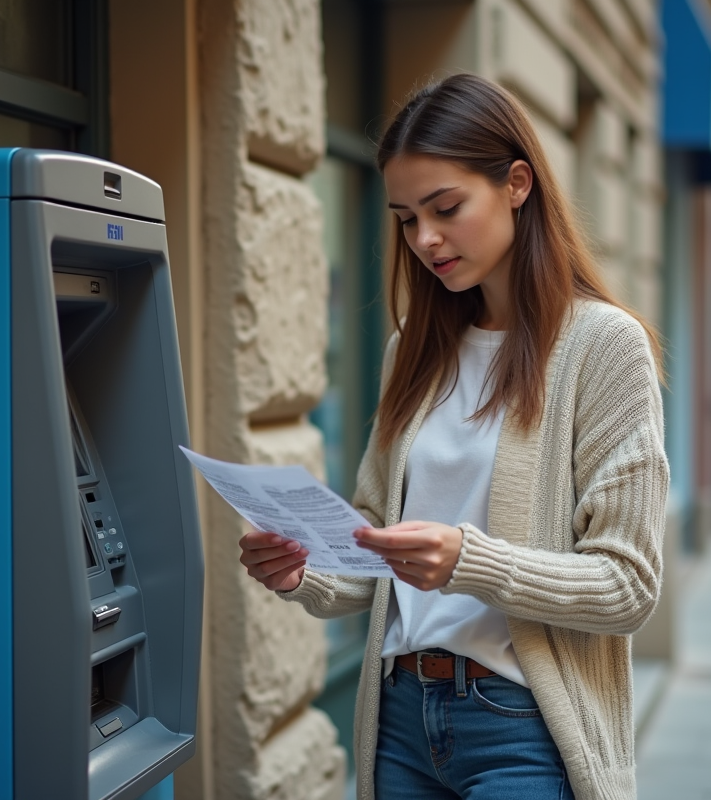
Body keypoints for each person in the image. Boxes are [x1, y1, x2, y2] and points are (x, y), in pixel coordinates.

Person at [237, 73, 668, 800]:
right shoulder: (412, 348)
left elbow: (628, 586)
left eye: (446, 208)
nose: (426, 239)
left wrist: (469, 561)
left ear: (517, 184)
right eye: (407, 218)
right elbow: (374, 545)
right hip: (402, 720)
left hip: (526, 726)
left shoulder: (603, 347)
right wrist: (302, 570)